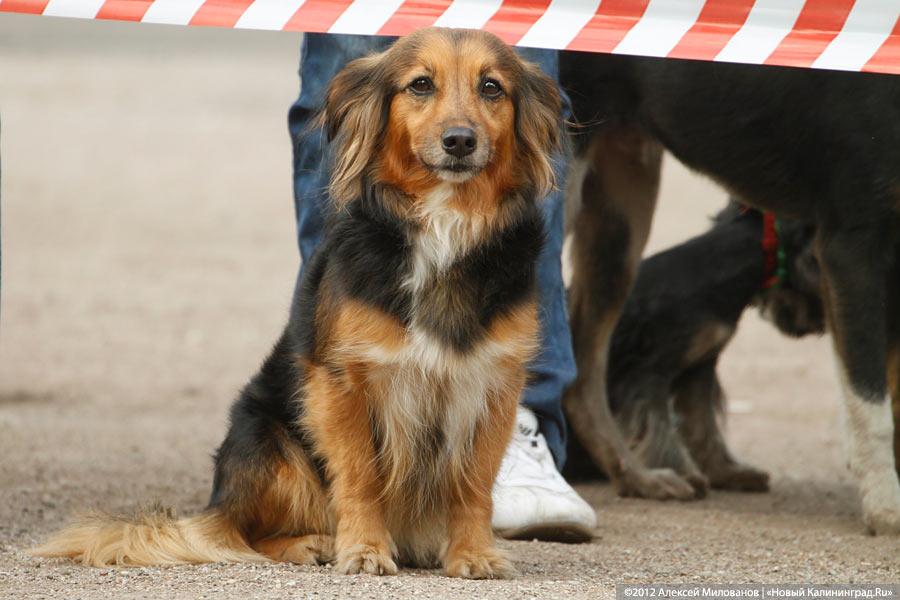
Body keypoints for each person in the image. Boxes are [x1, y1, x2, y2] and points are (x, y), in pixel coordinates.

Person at [287, 33, 596, 542]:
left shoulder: (526, 125)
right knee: (339, 373)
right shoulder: (370, 111)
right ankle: (341, 474)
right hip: (378, 261)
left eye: (490, 91)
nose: (459, 127)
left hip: (497, 256)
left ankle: (520, 436)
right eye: (422, 87)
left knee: (528, 37)